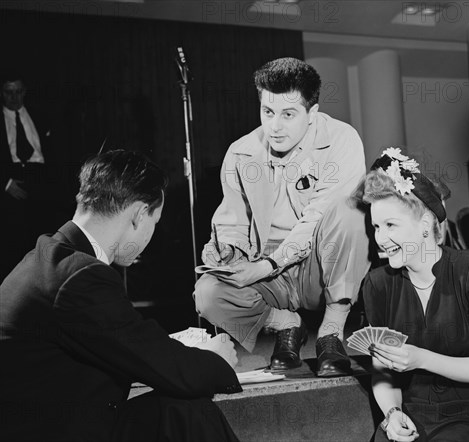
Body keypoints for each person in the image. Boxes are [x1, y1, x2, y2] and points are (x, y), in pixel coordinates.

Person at [0, 150, 241, 442]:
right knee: (189, 411)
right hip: (54, 430)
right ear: (139, 215)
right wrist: (216, 359)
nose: (150, 238)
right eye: (155, 222)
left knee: (181, 412)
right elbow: (166, 367)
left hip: (61, 419)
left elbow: (120, 341)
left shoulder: (49, 257)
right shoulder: (78, 275)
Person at [193, 57, 370, 377]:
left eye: (288, 114)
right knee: (207, 294)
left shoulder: (342, 140)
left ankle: (331, 333)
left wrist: (267, 265)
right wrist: (229, 255)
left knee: (350, 215)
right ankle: (288, 325)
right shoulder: (240, 152)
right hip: (271, 272)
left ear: (312, 114)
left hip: (322, 260)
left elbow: (318, 216)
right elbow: (232, 220)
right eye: (267, 112)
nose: (274, 126)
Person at [361, 148, 469, 441]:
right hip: (416, 412)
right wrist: (392, 414)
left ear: (424, 226)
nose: (380, 239)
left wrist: (420, 358)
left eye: (390, 225)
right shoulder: (378, 286)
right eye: (375, 227)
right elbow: (383, 374)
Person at [0, 73, 53, 280]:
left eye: (19, 91)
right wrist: (4, 183)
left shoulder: (40, 116)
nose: (14, 98)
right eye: (8, 92)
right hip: (9, 182)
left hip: (40, 181)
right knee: (12, 248)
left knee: (41, 245)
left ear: (25, 92)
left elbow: (55, 154)